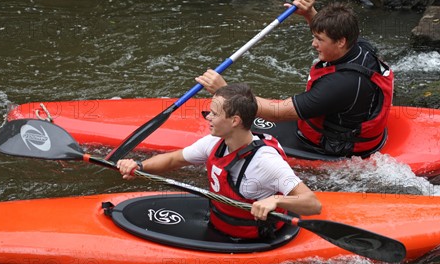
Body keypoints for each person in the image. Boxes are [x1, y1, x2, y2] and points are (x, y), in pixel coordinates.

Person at [196, 0, 394, 158]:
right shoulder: (362, 47)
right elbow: (331, 37)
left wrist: (225, 91)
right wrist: (310, 14)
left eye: (319, 39)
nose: (313, 44)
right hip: (356, 127)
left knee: (237, 129)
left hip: (334, 147)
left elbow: (278, 113)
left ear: (341, 41)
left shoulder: (340, 85)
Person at [117, 83, 321, 240]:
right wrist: (139, 166)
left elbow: (312, 204)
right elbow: (174, 159)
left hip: (253, 239)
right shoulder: (214, 142)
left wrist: (275, 200)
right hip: (220, 224)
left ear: (235, 121)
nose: (208, 118)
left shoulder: (265, 162)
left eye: (214, 114)